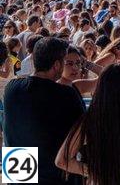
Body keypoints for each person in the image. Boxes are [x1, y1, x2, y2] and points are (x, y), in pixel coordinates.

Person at [3, 37, 85, 184]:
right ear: (57, 65)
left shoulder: (11, 89)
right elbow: (81, 134)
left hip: (19, 174)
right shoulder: (67, 95)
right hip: (53, 176)